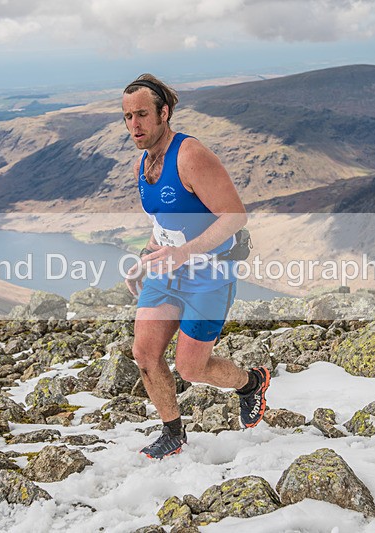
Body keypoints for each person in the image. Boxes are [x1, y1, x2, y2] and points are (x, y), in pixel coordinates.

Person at [121, 73, 270, 460]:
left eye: (141, 115)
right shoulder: (144, 163)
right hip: (169, 271)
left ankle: (251, 383)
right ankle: (173, 433)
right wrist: (145, 258)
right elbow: (164, 224)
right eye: (126, 117)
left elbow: (235, 216)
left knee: (190, 367)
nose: (133, 125)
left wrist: (184, 253)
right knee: (145, 354)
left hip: (210, 273)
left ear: (163, 113)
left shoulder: (189, 156)